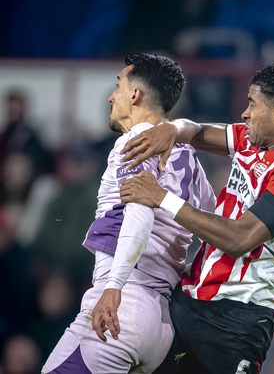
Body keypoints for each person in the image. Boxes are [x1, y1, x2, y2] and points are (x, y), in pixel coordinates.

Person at [119, 62, 274, 373]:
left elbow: (239, 239)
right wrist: (173, 130)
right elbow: (201, 132)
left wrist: (162, 198)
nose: (244, 113)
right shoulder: (254, 140)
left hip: (237, 319)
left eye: (252, 104)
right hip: (188, 299)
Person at [41, 53, 216, 373]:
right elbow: (211, 226)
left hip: (120, 306)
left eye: (118, 85)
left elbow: (139, 212)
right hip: (160, 324)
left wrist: (114, 287)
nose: (111, 96)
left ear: (135, 94)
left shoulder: (137, 139)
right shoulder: (191, 161)